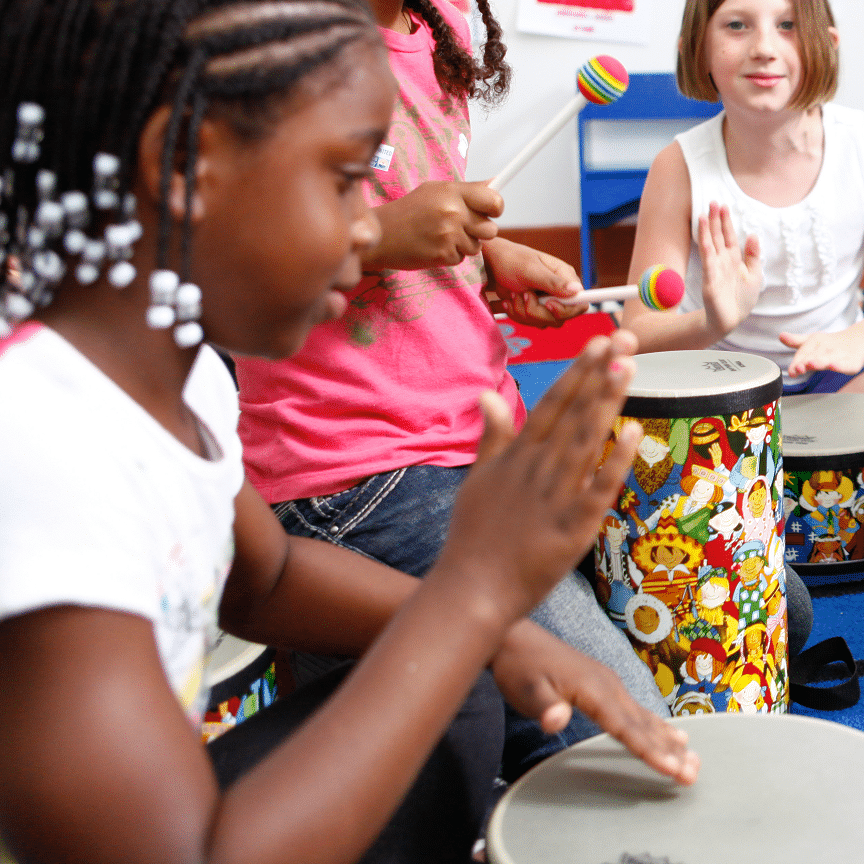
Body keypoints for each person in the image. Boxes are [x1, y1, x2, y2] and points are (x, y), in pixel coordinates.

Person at [0, 1, 700, 862]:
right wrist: (472, 595)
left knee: (461, 701)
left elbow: (266, 577)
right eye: (343, 180)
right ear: (183, 167)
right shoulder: (44, 440)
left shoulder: (180, 387)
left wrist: (499, 629)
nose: (372, 225)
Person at [232, 0, 673, 781]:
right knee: (622, 753)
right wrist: (379, 237)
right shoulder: (268, 41)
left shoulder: (443, 25)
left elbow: (408, 191)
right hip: (361, 476)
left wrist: (483, 251)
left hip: (484, 427)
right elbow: (236, 258)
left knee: (725, 615)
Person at [623, 0, 864, 396]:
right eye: (737, 25)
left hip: (843, 375)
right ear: (696, 51)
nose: (764, 48)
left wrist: (857, 339)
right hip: (720, 383)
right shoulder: (678, 167)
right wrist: (712, 323)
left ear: (828, 43)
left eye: (788, 24)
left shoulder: (857, 144)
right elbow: (637, 335)